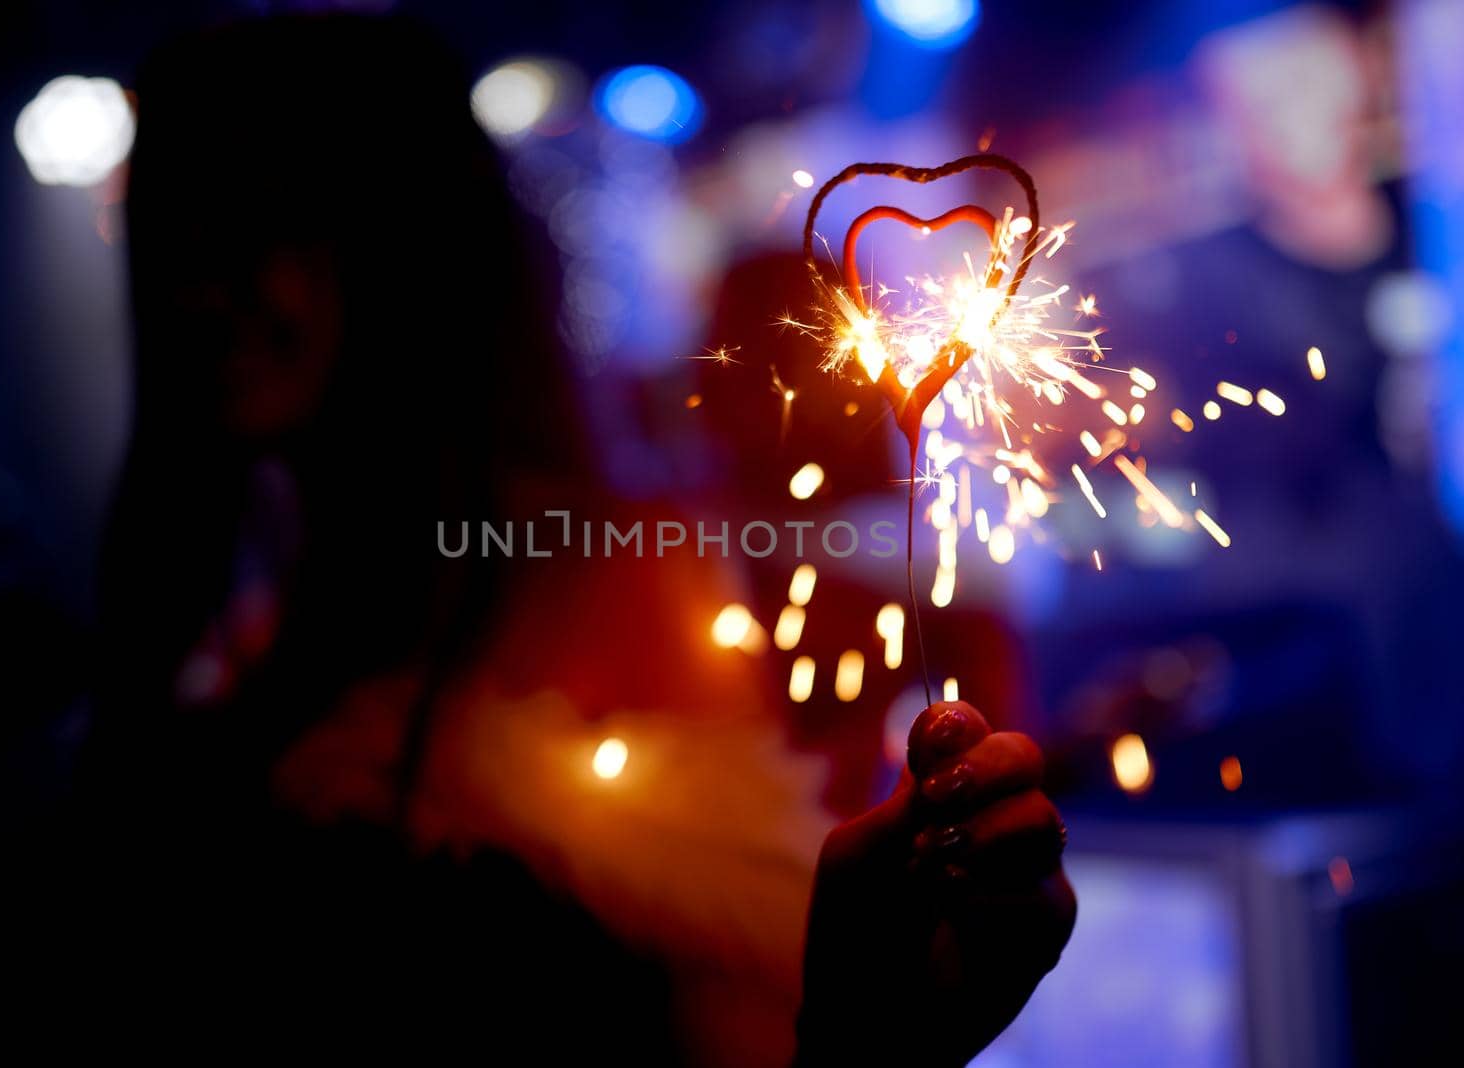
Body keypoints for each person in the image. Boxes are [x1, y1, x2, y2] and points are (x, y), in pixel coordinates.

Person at [57, 14, 1073, 1064]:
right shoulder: (240, 603)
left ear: (405, 243)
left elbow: (734, 1003)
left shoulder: (603, 579)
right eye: (178, 230)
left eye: (267, 228)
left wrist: (871, 1042)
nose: (207, 289)